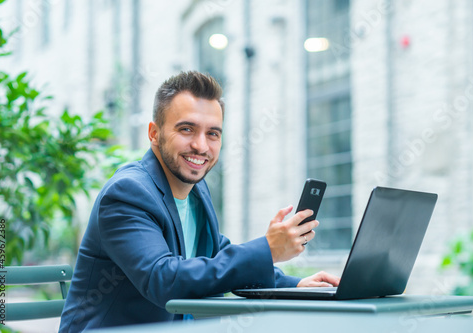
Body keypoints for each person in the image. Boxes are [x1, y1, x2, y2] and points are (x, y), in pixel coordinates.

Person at [59, 71, 339, 331]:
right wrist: (267, 249)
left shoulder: (195, 191)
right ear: (154, 134)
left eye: (212, 134)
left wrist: (296, 284)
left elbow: (216, 257)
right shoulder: (128, 193)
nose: (201, 146)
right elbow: (164, 279)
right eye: (186, 129)